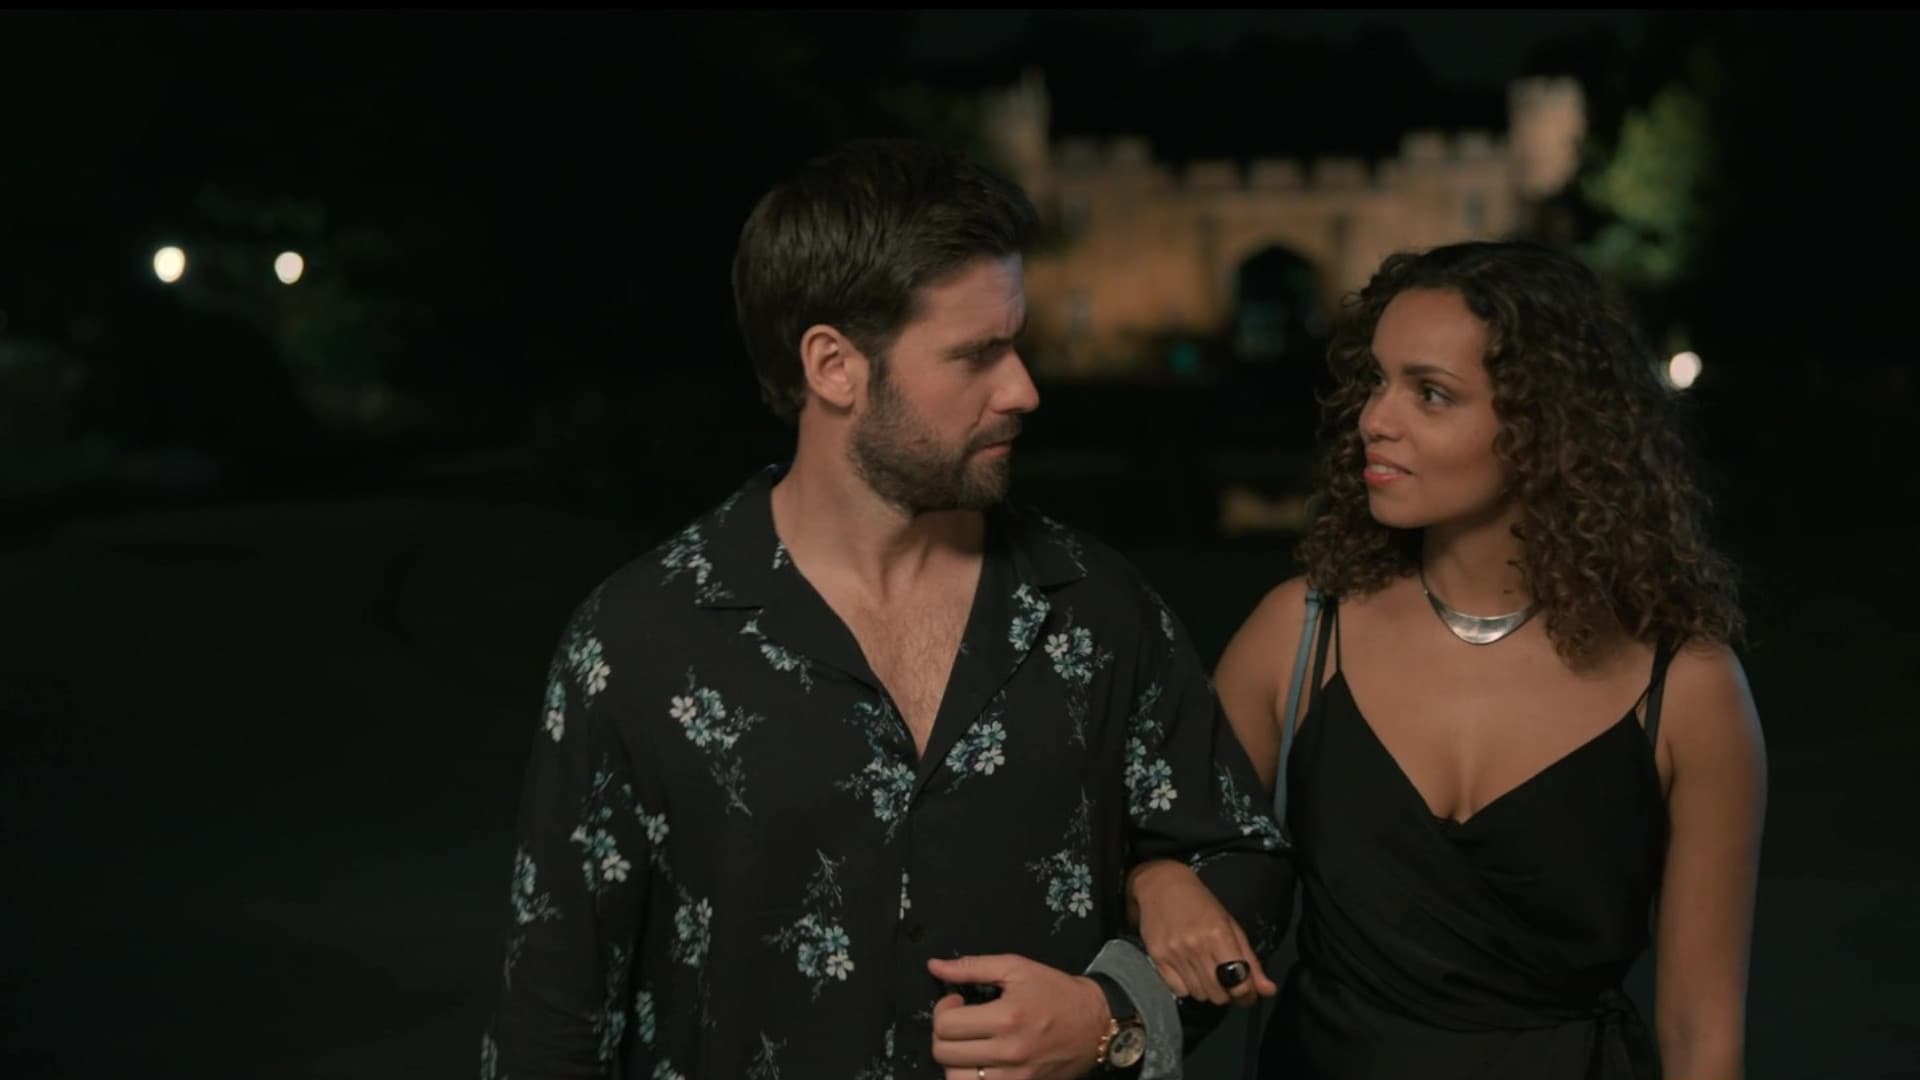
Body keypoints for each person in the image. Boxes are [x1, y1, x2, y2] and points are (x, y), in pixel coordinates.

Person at [480, 138, 1290, 1080]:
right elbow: (552, 1021)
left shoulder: (1098, 609)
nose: (1024, 389)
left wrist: (1113, 1013)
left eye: (1017, 343)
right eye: (977, 355)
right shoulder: (635, 643)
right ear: (834, 366)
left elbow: (1245, 861)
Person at [1130, 240, 1767, 1078]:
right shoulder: (1299, 635)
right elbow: (1162, 837)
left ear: (1547, 427)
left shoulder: (1686, 688)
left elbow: (1701, 1036)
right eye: (1376, 381)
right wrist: (1154, 878)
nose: (1374, 419)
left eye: (1430, 393)